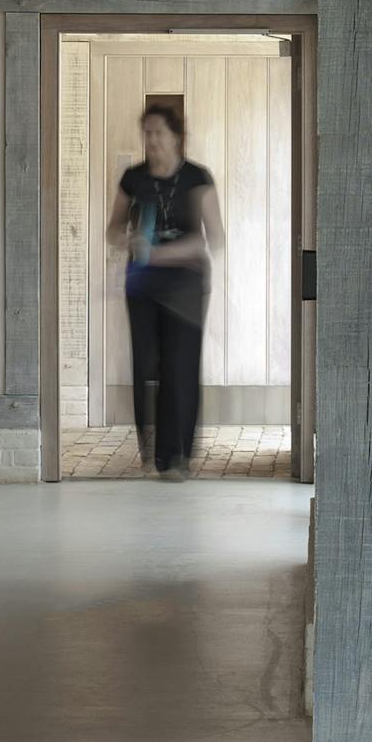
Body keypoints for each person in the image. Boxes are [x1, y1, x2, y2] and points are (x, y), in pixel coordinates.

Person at [106, 100, 223, 477]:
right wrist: (129, 240)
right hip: (142, 285)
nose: (151, 140)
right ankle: (151, 455)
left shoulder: (197, 178)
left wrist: (157, 253)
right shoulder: (133, 177)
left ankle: (179, 457)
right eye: (147, 133)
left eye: (158, 133)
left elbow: (211, 238)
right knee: (144, 365)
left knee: (180, 367)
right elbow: (113, 230)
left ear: (176, 137)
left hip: (186, 287)